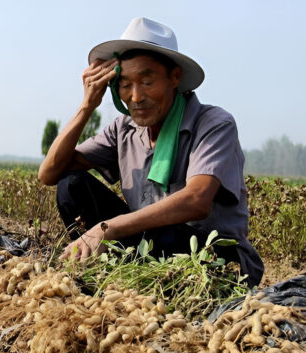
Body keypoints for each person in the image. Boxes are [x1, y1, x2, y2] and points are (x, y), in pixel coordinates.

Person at [38, 17, 264, 287]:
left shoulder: (213, 124)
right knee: (71, 185)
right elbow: (50, 173)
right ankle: (115, 276)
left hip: (211, 256)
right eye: (125, 85)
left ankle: (132, 275)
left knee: (169, 236)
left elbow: (196, 200)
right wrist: (87, 106)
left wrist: (106, 228)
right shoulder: (124, 129)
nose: (135, 96)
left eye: (147, 82)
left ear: (175, 77)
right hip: (150, 246)